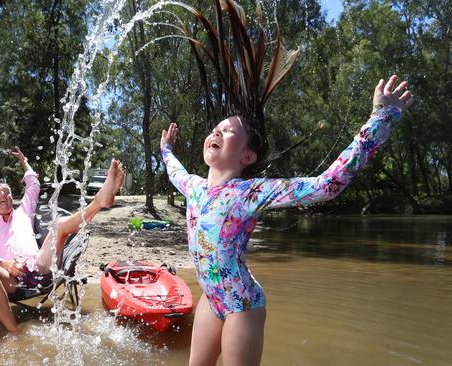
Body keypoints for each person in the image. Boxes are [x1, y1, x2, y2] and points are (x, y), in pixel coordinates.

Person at [161, 75, 413, 365]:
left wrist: (382, 117)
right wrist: (166, 148)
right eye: (216, 129)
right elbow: (173, 169)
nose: (217, 133)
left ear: (247, 156)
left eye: (228, 132)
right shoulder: (193, 187)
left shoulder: (252, 193)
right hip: (211, 298)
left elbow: (326, 186)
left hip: (242, 306)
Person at [0, 146, 124, 333]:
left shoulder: (23, 211)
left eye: (7, 192)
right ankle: (15, 331)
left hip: (39, 267)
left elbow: (33, 185)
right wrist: (6, 264)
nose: (4, 194)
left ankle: (100, 201)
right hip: (8, 279)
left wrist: (23, 160)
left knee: (59, 224)